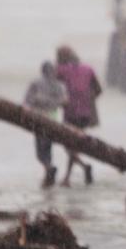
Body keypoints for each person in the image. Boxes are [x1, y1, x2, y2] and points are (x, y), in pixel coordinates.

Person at [55, 45, 101, 187]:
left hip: (70, 113)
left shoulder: (62, 70)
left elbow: (54, 85)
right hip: (85, 114)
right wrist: (87, 99)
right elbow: (98, 90)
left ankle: (70, 176)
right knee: (73, 144)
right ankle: (81, 168)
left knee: (70, 144)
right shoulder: (88, 69)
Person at [23, 61, 68, 188]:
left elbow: (27, 102)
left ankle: (48, 168)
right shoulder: (59, 85)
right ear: (53, 71)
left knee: (39, 150)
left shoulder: (35, 84)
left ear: (42, 71)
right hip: (53, 119)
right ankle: (48, 172)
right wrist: (54, 103)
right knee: (47, 146)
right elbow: (65, 101)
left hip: (38, 119)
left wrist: (26, 112)